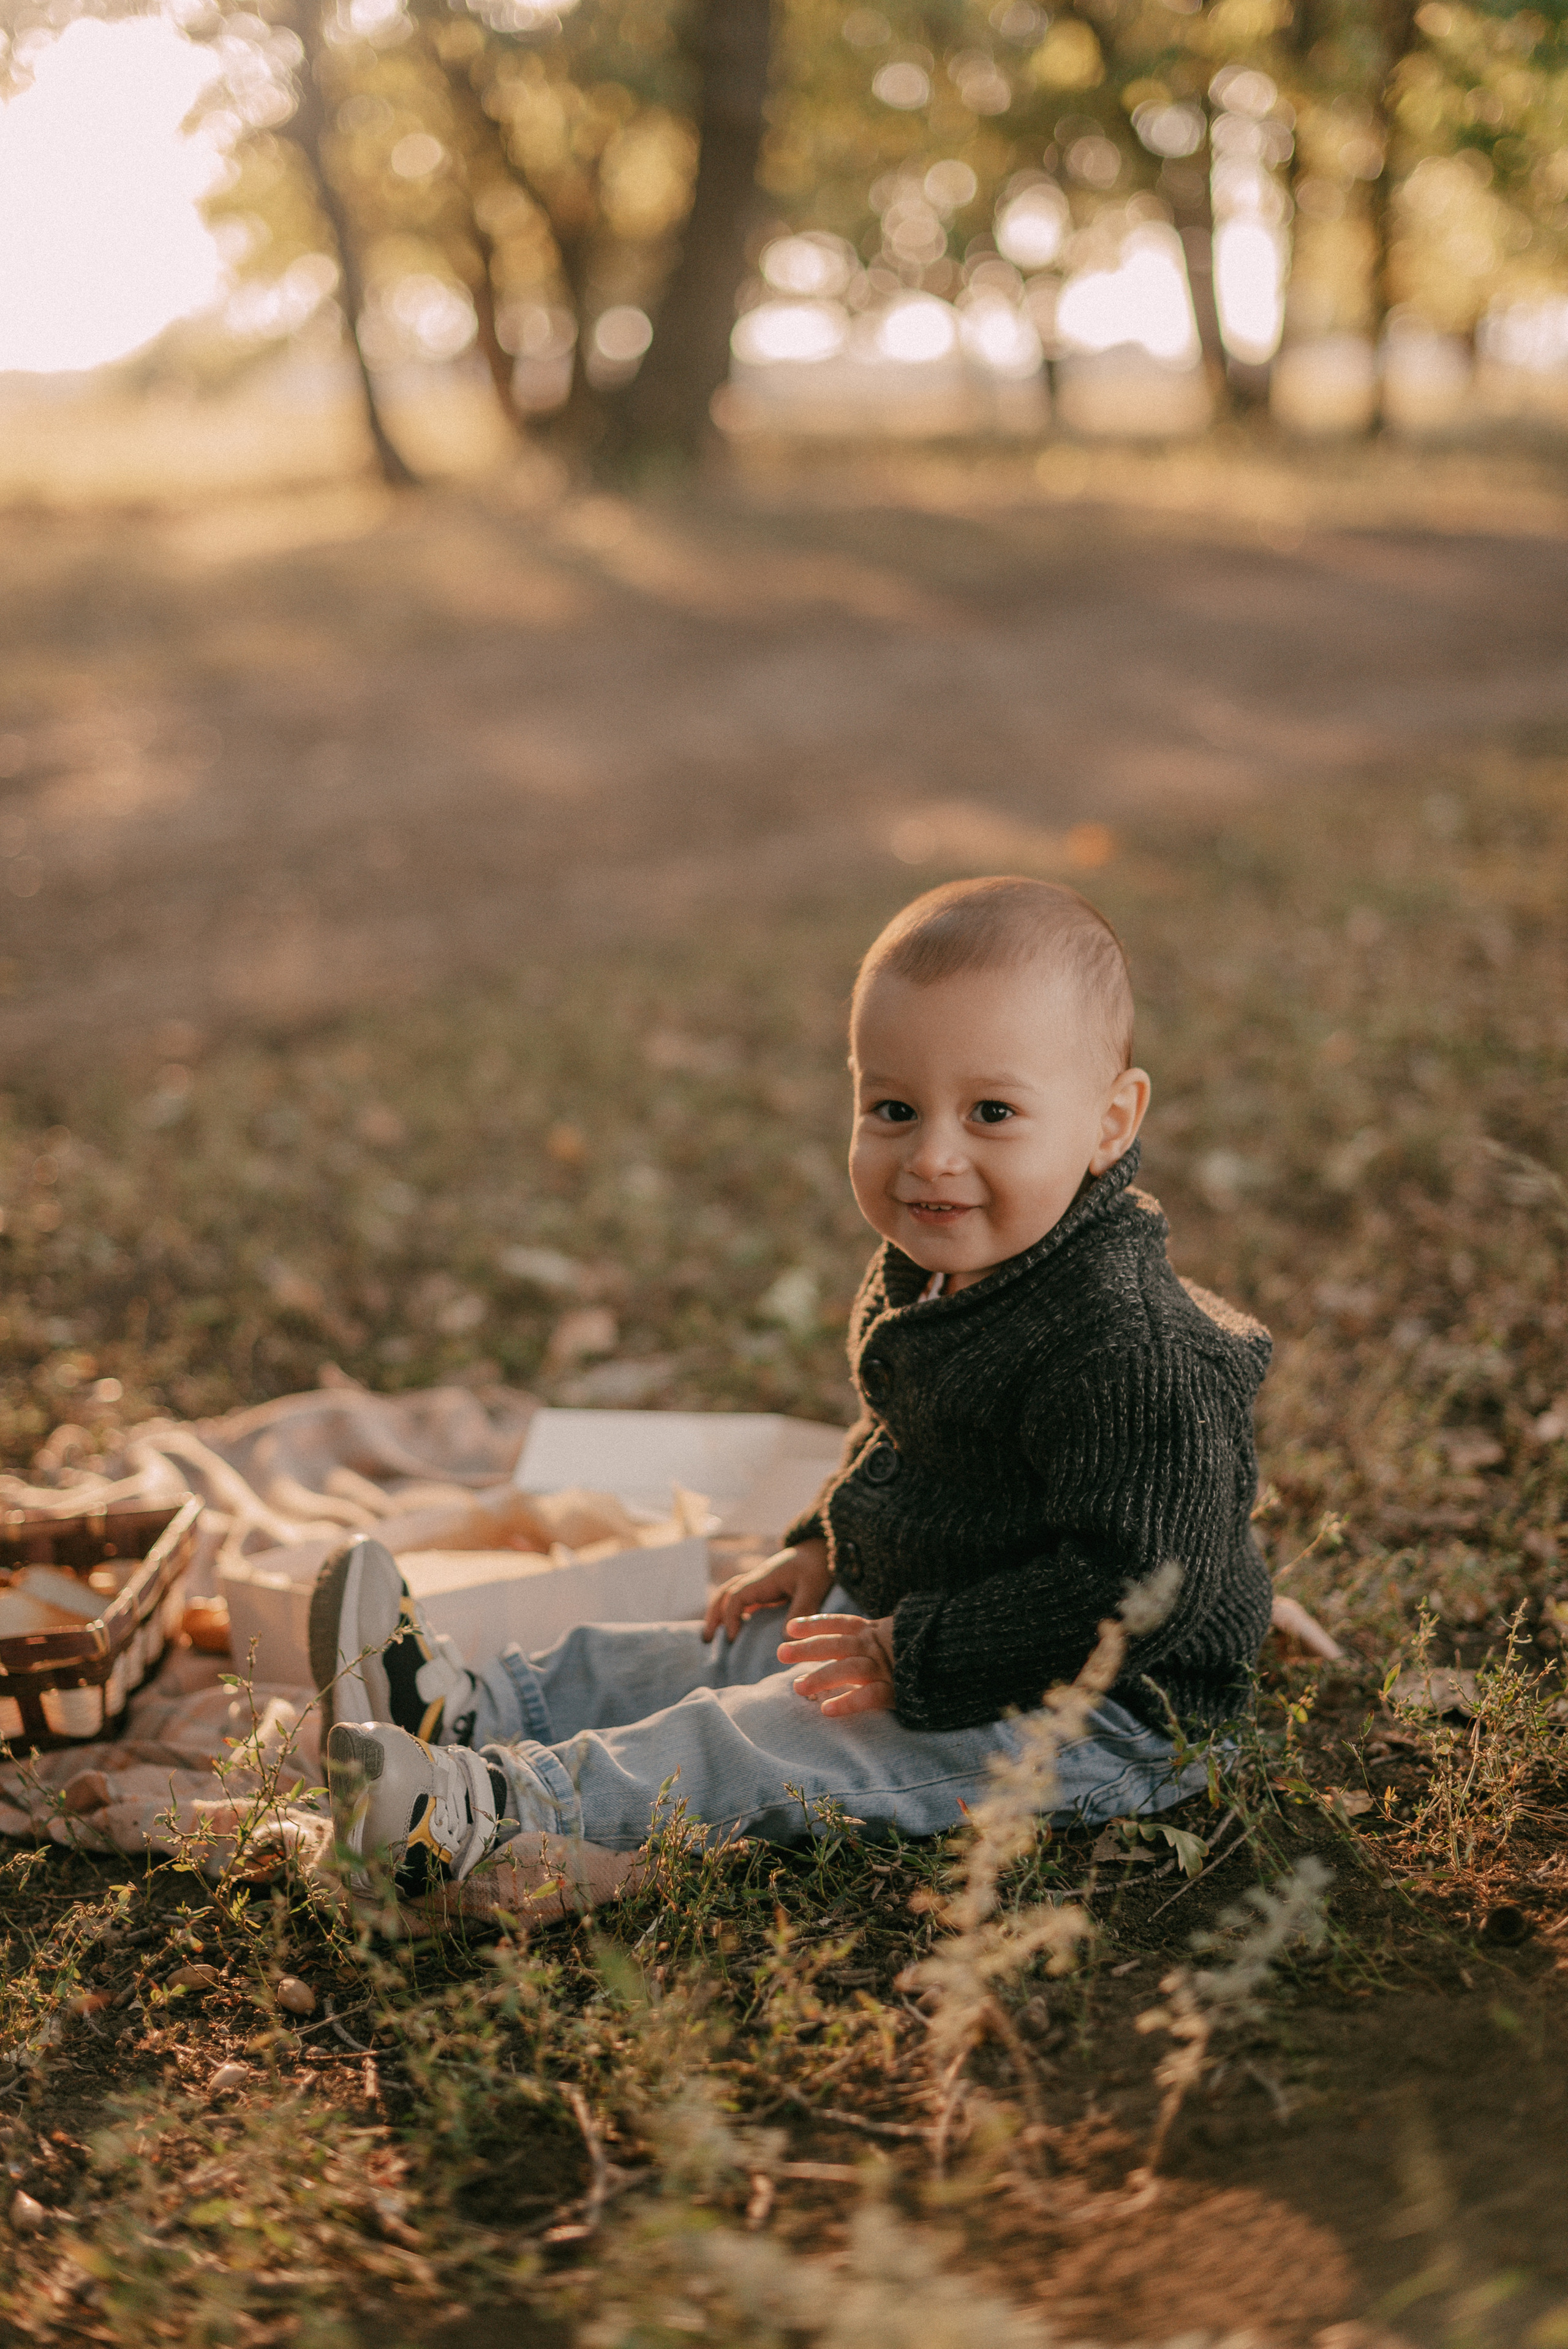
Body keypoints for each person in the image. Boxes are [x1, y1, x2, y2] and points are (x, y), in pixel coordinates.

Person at [317, 875, 1273, 1904]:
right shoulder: (948, 1263)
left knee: (779, 1734)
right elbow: (903, 1438)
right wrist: (825, 1536)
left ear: (1109, 1122)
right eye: (894, 1108)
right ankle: (468, 1702)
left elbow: (1135, 1587)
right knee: (726, 1647)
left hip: (1105, 1708)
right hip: (942, 1605)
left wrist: (913, 1652)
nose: (932, 1155)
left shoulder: (1125, 1345)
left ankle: (487, 1807)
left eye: (993, 1111)